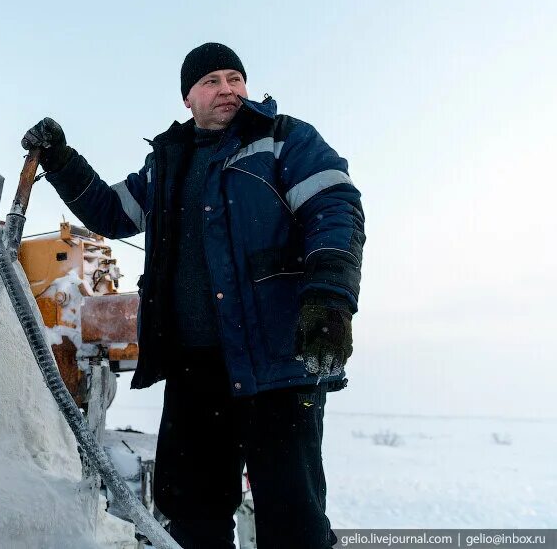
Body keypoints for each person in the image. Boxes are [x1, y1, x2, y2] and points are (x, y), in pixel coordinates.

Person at [21, 42, 364, 549]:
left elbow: (334, 207)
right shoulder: (168, 165)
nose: (227, 89)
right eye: (211, 81)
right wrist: (62, 160)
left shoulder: (284, 140)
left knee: (294, 523)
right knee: (190, 517)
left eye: (235, 78)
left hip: (277, 366)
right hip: (195, 372)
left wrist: (331, 295)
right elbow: (112, 212)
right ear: (188, 98)